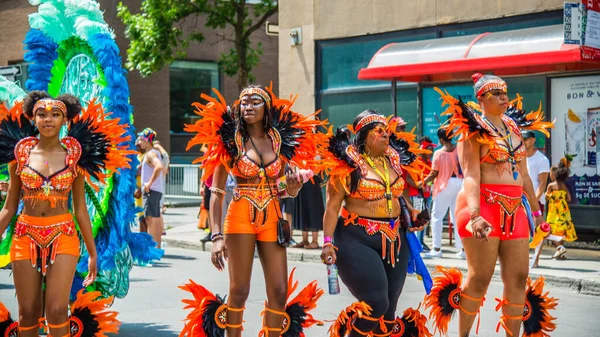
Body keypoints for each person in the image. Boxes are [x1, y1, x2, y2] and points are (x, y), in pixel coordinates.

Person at [179, 85, 324, 337]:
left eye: (255, 101)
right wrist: (215, 237)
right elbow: (216, 192)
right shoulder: (230, 140)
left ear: (267, 108)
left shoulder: (279, 142)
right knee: (239, 291)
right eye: (244, 102)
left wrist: (293, 188)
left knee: (279, 292)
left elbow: (280, 188)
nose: (247, 105)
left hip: (272, 216)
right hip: (239, 216)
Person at [425, 74, 557, 337]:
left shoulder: (514, 128)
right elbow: (471, 175)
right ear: (482, 99)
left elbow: (525, 175)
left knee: (519, 277)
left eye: (504, 92)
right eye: (496, 93)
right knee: (480, 277)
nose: (503, 97)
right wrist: (474, 216)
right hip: (481, 204)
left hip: (514, 207)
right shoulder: (472, 130)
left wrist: (536, 211)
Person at [0, 92, 122, 337]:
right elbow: (9, 207)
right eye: (41, 114)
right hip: (25, 235)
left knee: (57, 310)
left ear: (65, 119)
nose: (48, 119)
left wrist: (93, 253)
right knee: (27, 311)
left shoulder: (74, 156)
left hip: (63, 235)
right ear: (32, 118)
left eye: (55, 114)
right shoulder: (20, 155)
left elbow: (79, 209)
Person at [319, 111, 432, 337]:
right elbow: (332, 207)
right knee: (375, 303)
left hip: (394, 238)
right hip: (356, 238)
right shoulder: (347, 165)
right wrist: (327, 243)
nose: (385, 134)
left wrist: (412, 213)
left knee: (389, 313)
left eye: (386, 130)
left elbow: (397, 195)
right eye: (378, 131)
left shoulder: (393, 159)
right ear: (364, 135)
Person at [422, 127, 464, 259]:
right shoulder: (459, 150)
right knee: (457, 216)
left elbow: (434, 172)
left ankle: (437, 248)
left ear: (440, 139)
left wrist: (423, 181)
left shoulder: (439, 153)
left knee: (437, 217)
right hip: (459, 183)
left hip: (444, 185)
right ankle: (462, 249)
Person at [137, 128, 165, 249]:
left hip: (151, 191)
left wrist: (148, 183)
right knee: (156, 219)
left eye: (141, 139)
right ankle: (157, 248)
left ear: (146, 140)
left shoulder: (150, 154)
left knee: (150, 220)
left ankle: (152, 249)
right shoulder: (155, 152)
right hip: (155, 190)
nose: (139, 142)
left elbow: (159, 167)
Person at [545, 158, 578, 259]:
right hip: (563, 212)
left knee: (549, 231)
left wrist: (550, 196)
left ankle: (560, 247)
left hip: (553, 213)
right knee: (561, 232)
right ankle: (561, 252)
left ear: (554, 175)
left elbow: (546, 196)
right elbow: (569, 198)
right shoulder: (564, 186)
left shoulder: (551, 186)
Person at [291, 172, 324, 249]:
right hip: (300, 178)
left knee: (313, 208)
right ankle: (305, 240)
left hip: (312, 178)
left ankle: (315, 241)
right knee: (302, 207)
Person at [523, 130, 550, 214]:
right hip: (520, 201)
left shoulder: (542, 159)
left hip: (535, 201)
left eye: (526, 139)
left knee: (535, 227)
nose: (523, 142)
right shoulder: (518, 159)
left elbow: (542, 184)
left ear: (533, 140)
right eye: (522, 139)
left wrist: (533, 202)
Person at [153, 139, 170, 215]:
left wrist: (159, 147)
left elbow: (166, 157)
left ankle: (162, 207)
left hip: (157, 189)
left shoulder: (162, 160)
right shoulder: (150, 157)